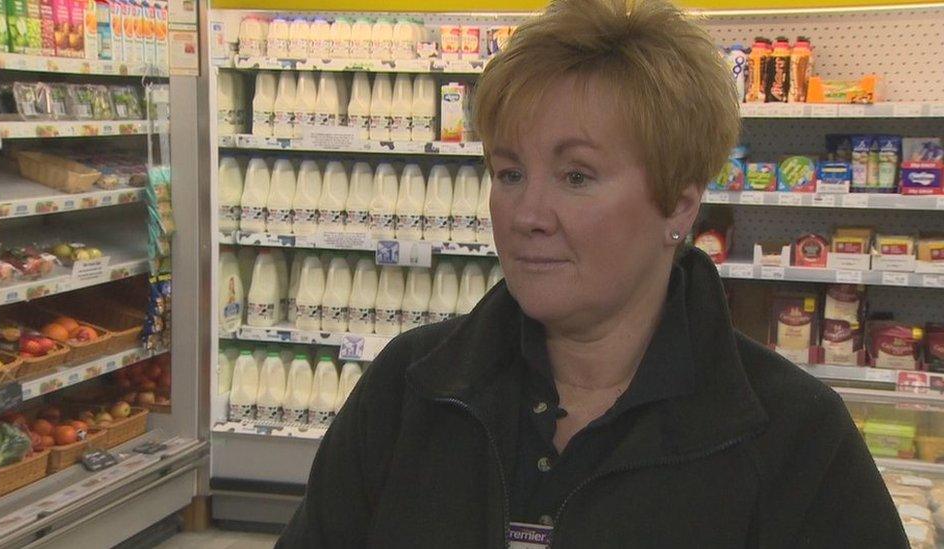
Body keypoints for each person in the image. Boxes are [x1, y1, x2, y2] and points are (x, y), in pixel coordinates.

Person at [277, 0, 907, 546]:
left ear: (680, 204)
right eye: (509, 172)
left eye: (576, 176)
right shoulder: (409, 389)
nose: (526, 214)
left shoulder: (795, 439)